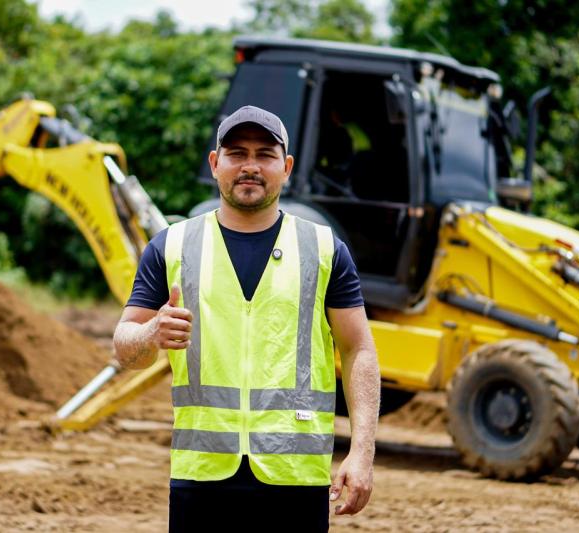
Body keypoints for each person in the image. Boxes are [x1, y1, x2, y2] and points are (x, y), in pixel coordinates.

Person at [113, 105, 380, 532]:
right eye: (237, 153)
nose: (250, 166)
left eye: (265, 154)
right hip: (202, 474)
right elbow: (127, 349)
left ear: (286, 167)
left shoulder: (325, 249)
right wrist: (150, 332)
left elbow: (358, 349)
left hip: (295, 476)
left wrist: (362, 451)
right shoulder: (172, 247)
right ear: (215, 164)